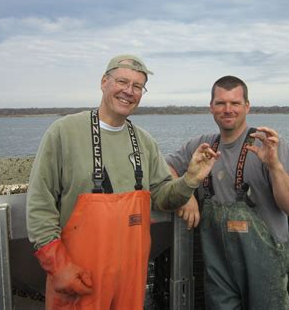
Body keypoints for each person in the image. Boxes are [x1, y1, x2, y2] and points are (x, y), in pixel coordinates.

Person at [26, 54, 218, 310]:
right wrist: (58, 266)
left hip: (130, 280)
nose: (129, 91)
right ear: (104, 82)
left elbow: (161, 196)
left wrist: (190, 180)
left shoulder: (144, 141)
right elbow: (40, 203)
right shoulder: (64, 132)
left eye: (137, 86)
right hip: (80, 278)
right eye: (122, 82)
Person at [166, 76, 289, 309]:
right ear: (211, 107)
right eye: (220, 103)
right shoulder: (202, 145)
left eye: (235, 103)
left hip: (265, 266)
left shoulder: (268, 145)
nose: (228, 109)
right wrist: (186, 192)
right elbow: (163, 167)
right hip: (218, 267)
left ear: (247, 107)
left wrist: (275, 166)